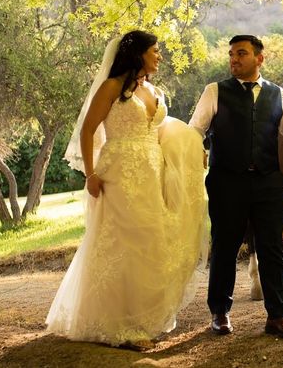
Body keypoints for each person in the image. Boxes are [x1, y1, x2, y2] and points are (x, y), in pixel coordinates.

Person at [47, 31, 207, 350]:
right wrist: (90, 173)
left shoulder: (152, 89)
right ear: (138, 54)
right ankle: (125, 327)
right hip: (118, 171)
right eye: (155, 50)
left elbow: (162, 129)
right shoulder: (112, 86)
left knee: (153, 241)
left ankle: (143, 317)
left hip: (152, 170)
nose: (159, 56)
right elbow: (89, 128)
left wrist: (191, 148)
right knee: (124, 242)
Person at [189, 34, 283, 339]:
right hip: (226, 182)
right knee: (226, 247)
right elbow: (195, 130)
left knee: (272, 248)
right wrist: (196, 150)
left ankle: (278, 316)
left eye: (241, 53)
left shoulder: (277, 93)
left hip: (268, 182)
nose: (234, 59)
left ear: (259, 58)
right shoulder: (214, 91)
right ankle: (220, 313)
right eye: (231, 54)